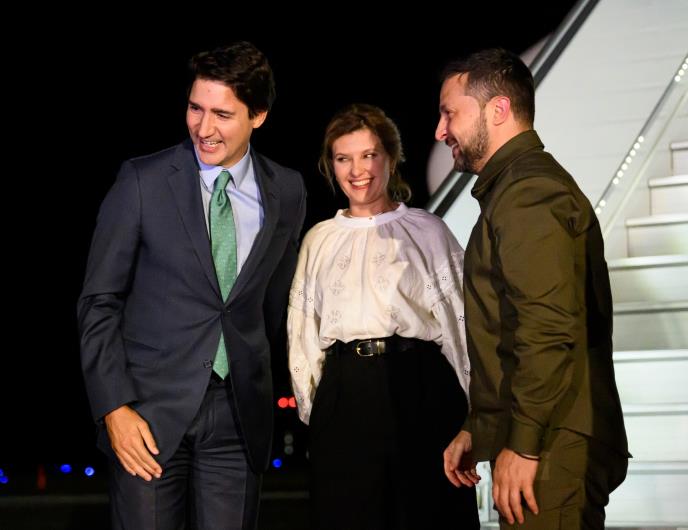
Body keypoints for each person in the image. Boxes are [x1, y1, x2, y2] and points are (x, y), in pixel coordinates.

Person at [77, 41, 306, 530]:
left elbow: (272, 304)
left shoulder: (287, 190)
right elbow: (99, 302)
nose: (204, 128)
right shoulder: (142, 180)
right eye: (195, 108)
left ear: (258, 115)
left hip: (238, 418)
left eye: (222, 114)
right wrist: (114, 407)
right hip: (147, 415)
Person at [436, 48, 630, 528]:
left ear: (497, 110)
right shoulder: (514, 190)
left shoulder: (527, 193)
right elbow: (511, 329)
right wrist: (480, 425)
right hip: (548, 439)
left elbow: (547, 329)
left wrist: (523, 444)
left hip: (552, 444)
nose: (441, 131)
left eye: (449, 113)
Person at [288, 103, 480, 530]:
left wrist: (475, 415)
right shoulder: (319, 239)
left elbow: (461, 324)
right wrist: (318, 414)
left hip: (421, 388)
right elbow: (302, 333)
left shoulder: (428, 231)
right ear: (331, 166)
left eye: (369, 155)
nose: (357, 170)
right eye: (344, 158)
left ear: (391, 159)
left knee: (430, 516)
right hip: (345, 395)